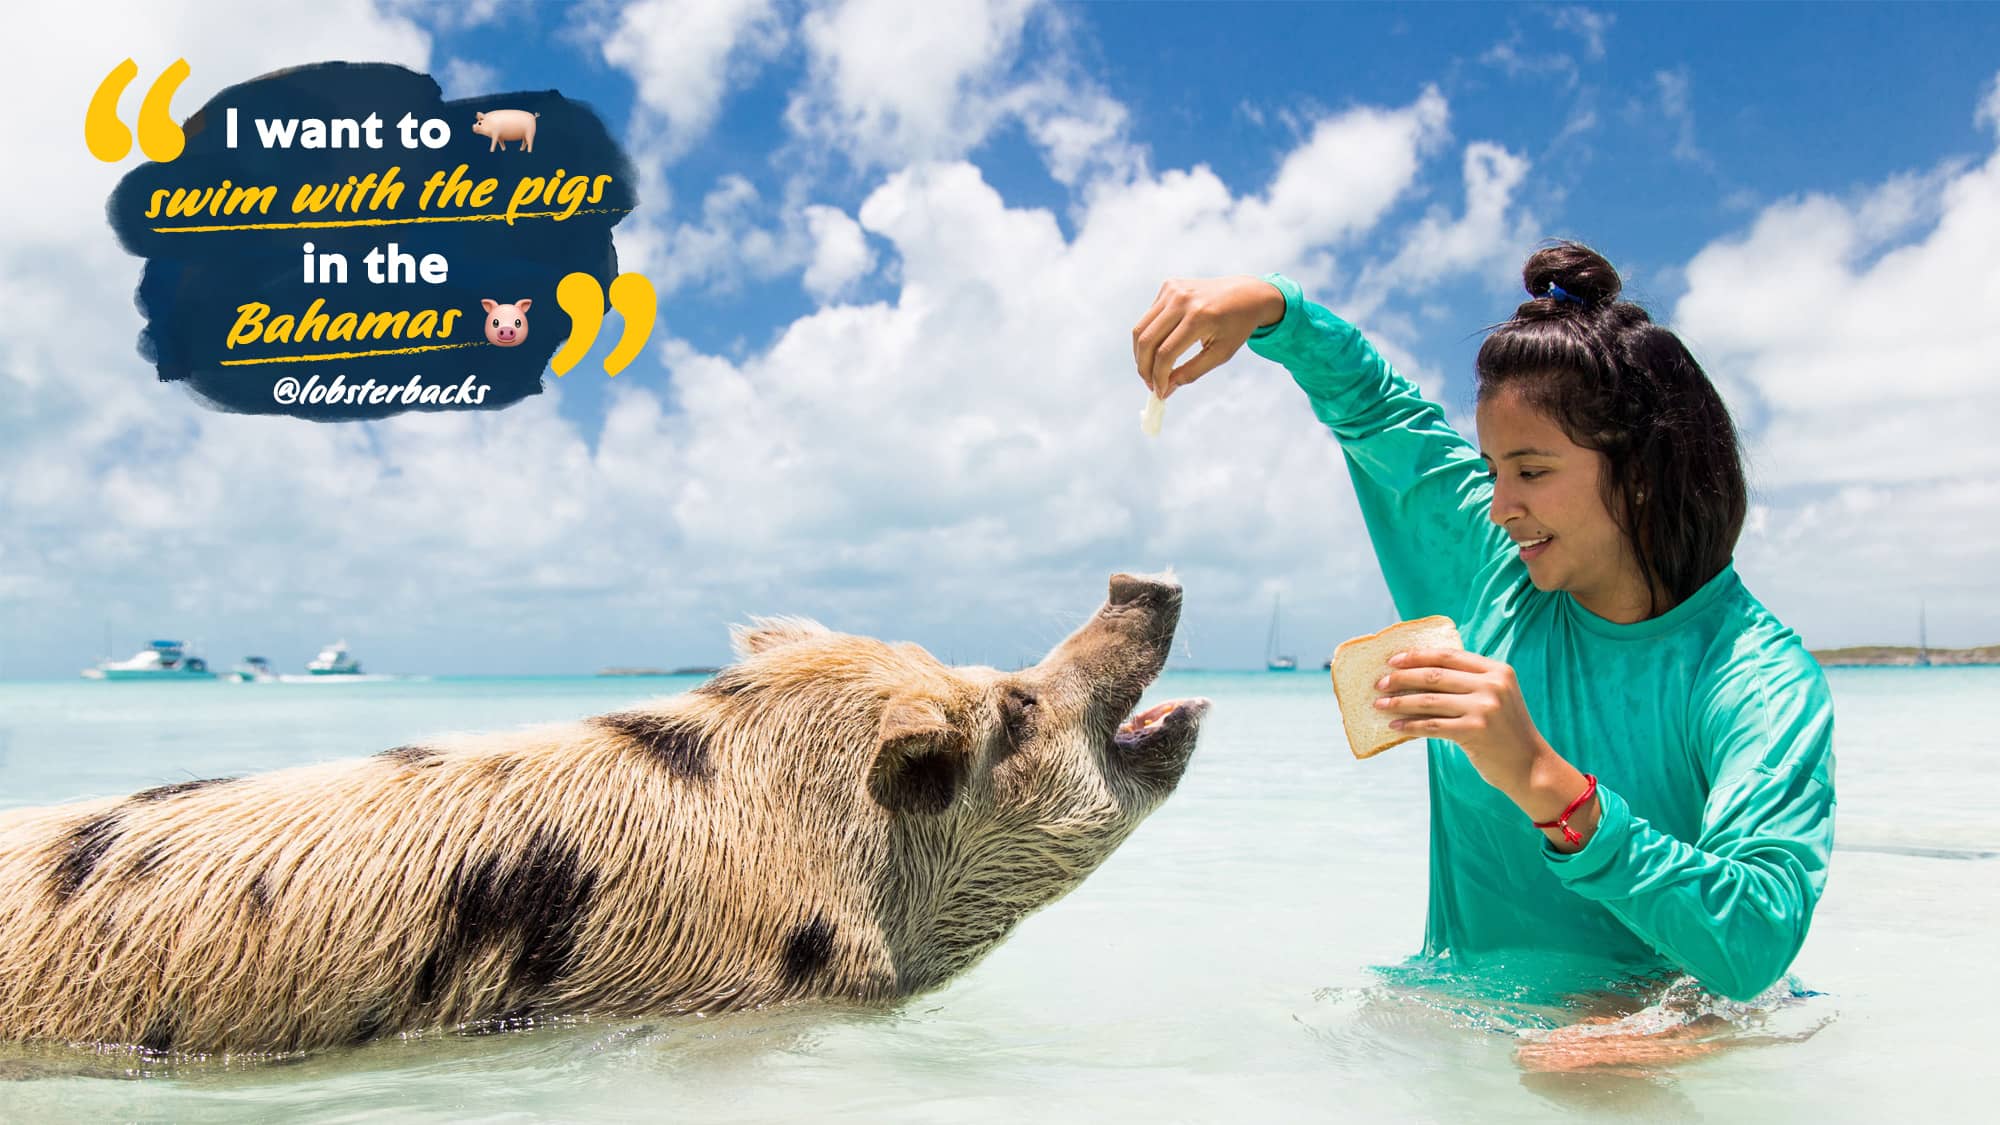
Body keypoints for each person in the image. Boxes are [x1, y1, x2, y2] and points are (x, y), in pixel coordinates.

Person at [1129, 243, 1836, 1025]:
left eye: (1531, 472)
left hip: (1665, 1037)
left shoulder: (1755, 677)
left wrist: (1546, 783)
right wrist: (1274, 307)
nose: (1499, 505)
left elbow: (1758, 937)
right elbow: (1376, 409)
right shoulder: (1490, 563)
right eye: (1494, 470)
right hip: (1466, 1017)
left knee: (1576, 1068)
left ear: (1640, 470)